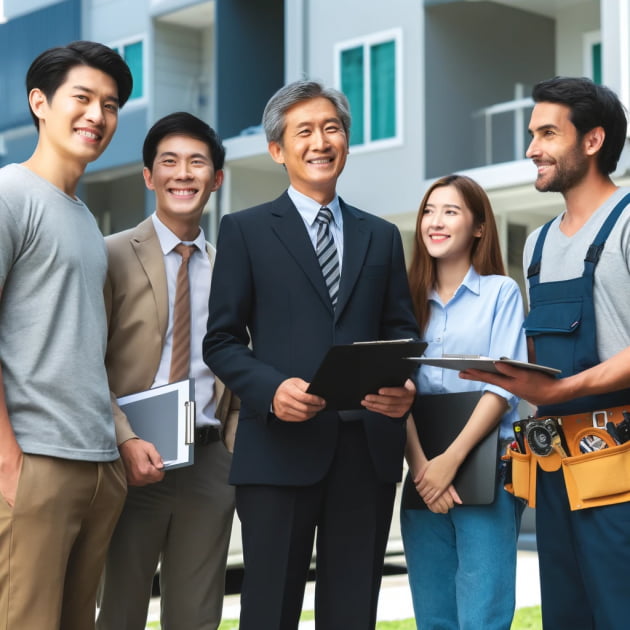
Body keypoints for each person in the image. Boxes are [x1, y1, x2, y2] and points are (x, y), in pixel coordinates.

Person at [202, 80, 420, 630]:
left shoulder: (382, 236)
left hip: (365, 453)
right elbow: (221, 341)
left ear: (346, 141)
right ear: (278, 150)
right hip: (277, 450)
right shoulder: (244, 231)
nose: (321, 141)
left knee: (352, 613)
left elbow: (400, 332)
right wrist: (270, 390)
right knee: (269, 612)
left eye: (332, 128)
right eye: (305, 131)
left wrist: (404, 389)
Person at [462, 77, 630, 629]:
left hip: (622, 466)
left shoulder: (627, 221)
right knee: (566, 615)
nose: (531, 148)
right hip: (556, 467)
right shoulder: (536, 243)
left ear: (592, 140)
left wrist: (562, 390)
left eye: (547, 133)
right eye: (532, 133)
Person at [0, 41, 132, 630]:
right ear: (40, 103)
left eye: (110, 104)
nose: (96, 116)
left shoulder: (82, 217)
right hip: (35, 462)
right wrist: (7, 463)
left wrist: (116, 454)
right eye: (82, 97)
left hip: (98, 464)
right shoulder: (10, 195)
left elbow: (85, 346)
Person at [96, 112, 237, 630]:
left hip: (209, 461)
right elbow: (88, 362)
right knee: (120, 612)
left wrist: (233, 453)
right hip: (129, 457)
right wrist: (125, 439)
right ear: (148, 175)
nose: (183, 173)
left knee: (198, 616)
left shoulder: (230, 268)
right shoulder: (109, 255)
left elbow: (237, 368)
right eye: (169, 162)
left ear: (216, 178)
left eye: (197, 162)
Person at [400, 174, 526, 629]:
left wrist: (449, 461)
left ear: (478, 227)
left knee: (484, 617)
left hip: (485, 469)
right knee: (433, 618)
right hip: (422, 474)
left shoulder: (500, 293)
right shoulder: (405, 302)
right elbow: (396, 392)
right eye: (429, 211)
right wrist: (422, 469)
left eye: (450, 211)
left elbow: (504, 386)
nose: (435, 221)